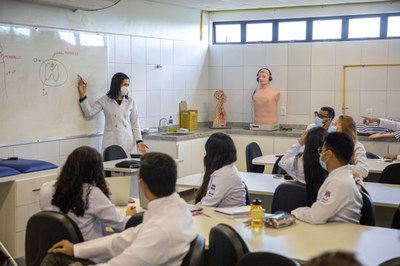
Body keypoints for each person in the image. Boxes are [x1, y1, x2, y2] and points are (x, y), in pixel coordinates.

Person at [41, 152, 197, 266]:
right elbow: (124, 239)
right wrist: (76, 250)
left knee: (54, 259)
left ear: (142, 185)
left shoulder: (160, 229)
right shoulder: (178, 210)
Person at [39, 146, 136, 242]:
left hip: (56, 251)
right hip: (88, 253)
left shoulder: (45, 189)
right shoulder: (92, 194)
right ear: (95, 172)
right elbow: (121, 226)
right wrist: (132, 217)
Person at [291, 132, 363, 225]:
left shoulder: (338, 181)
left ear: (328, 154)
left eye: (322, 150)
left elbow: (316, 217)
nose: (320, 154)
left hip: (338, 235)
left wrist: (295, 213)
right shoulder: (344, 175)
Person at [78, 72, 148, 156]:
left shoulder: (130, 101)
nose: (127, 87)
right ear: (116, 85)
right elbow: (89, 113)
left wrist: (139, 141)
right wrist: (82, 94)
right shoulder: (104, 100)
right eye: (124, 85)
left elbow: (135, 123)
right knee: (111, 166)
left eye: (128, 85)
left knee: (129, 166)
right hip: (111, 141)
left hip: (128, 141)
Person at [278, 127, 328, 205]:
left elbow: (281, 162)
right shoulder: (328, 164)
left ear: (307, 143)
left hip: (295, 208)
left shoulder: (295, 163)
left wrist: (299, 143)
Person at [195, 132, 247, 207]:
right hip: (224, 215)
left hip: (226, 217)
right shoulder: (228, 169)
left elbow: (206, 205)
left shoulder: (224, 175)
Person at [336, 115, 369, 180]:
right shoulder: (334, 144)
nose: (335, 128)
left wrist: (340, 168)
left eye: (337, 127)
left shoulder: (357, 146)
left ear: (345, 130)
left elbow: (363, 171)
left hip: (351, 183)